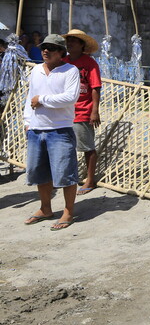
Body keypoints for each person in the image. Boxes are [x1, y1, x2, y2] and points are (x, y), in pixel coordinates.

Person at [22, 34, 80, 230]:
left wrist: (42, 100)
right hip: (36, 130)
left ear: (61, 53)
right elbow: (30, 98)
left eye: (51, 48)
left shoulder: (70, 71)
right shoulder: (36, 70)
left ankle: (68, 212)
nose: (45, 51)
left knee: (66, 174)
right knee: (40, 174)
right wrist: (27, 122)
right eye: (44, 47)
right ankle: (45, 208)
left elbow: (70, 98)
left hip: (60, 130)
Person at [63, 29, 102, 195]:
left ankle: (90, 179)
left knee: (87, 147)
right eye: (69, 40)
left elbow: (95, 88)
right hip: (65, 111)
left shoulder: (89, 63)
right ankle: (70, 176)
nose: (70, 43)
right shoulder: (63, 62)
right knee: (65, 146)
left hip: (83, 110)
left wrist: (95, 111)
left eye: (74, 40)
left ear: (81, 45)